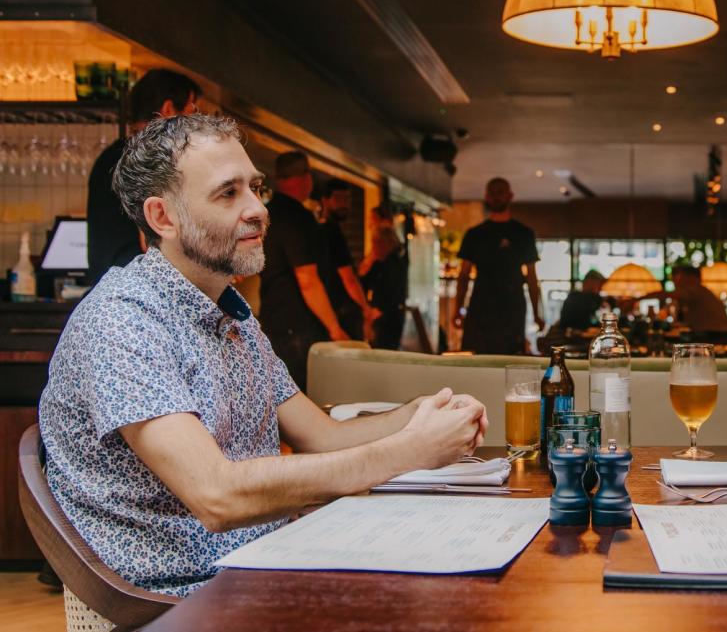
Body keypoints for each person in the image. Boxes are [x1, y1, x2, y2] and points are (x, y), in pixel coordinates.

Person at [39, 114, 486, 598]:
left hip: (262, 564)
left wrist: (421, 415)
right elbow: (217, 494)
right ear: (162, 217)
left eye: (255, 187)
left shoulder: (233, 316)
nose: (257, 209)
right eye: (228, 193)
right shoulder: (123, 321)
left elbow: (323, 436)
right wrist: (410, 450)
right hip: (181, 600)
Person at [87, 69, 201, 285]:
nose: (193, 125)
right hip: (137, 290)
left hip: (108, 286)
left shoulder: (111, 156)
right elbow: (152, 239)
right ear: (168, 109)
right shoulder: (149, 158)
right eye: (191, 111)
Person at [260, 151, 349, 390]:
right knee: (306, 399)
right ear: (306, 178)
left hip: (272, 322)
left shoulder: (266, 214)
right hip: (300, 328)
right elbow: (307, 278)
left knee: (280, 398)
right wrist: (335, 328)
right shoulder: (298, 218)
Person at [453, 177, 543, 354]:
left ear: (510, 196)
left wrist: (537, 313)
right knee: (477, 357)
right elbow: (463, 275)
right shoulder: (475, 234)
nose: (497, 197)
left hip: (512, 306)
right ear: (486, 197)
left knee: (510, 357)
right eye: (493, 193)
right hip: (480, 306)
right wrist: (458, 309)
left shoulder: (523, 234)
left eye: (501, 192)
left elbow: (532, 277)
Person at [319, 178, 379, 341]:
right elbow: (348, 278)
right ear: (325, 201)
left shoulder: (320, 229)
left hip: (330, 311)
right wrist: (366, 310)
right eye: (339, 199)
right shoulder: (332, 232)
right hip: (342, 313)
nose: (344, 204)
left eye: (347, 199)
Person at [359, 206, 408, 350]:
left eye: (376, 243)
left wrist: (377, 311)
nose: (374, 247)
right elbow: (363, 281)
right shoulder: (379, 263)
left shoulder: (395, 263)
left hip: (387, 317)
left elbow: (395, 291)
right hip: (379, 315)